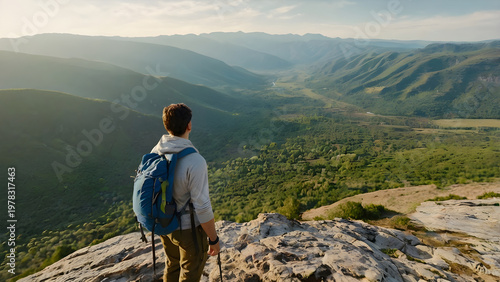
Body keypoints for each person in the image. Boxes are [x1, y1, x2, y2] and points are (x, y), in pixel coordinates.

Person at [150, 103, 220, 281]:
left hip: (164, 223)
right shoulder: (195, 161)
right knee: (190, 271)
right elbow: (202, 206)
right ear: (189, 125)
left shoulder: (155, 151)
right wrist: (213, 239)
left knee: (172, 265)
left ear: (166, 126)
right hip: (187, 229)